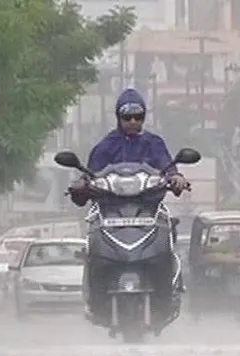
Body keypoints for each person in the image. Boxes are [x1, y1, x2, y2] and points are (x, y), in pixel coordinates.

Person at [68, 88, 190, 324]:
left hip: (148, 209)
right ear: (118, 118)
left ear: (144, 117)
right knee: (91, 238)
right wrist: (81, 184)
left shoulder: (154, 143)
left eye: (138, 117)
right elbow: (90, 174)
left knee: (169, 229)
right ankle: (95, 294)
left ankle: (171, 287)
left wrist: (176, 178)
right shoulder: (105, 146)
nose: (133, 122)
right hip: (109, 210)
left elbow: (169, 169)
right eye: (127, 117)